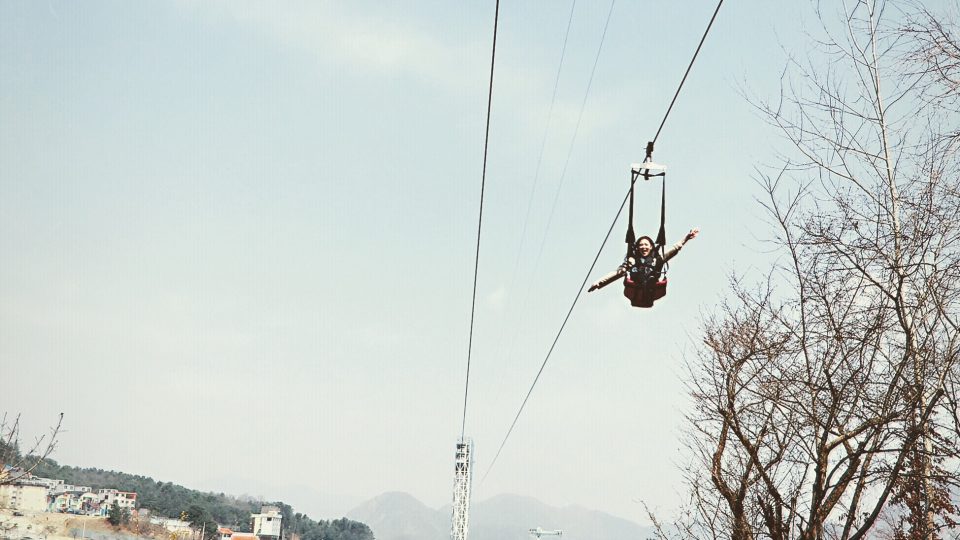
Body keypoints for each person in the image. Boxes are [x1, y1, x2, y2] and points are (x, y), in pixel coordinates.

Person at [588, 228, 699, 307]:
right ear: (637, 248)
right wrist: (599, 283)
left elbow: (674, 249)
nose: (643, 247)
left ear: (651, 247)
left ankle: (649, 282)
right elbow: (617, 273)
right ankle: (645, 283)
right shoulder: (632, 261)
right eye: (641, 245)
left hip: (651, 288)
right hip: (636, 287)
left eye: (646, 245)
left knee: (652, 276)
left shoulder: (657, 259)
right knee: (631, 270)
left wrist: (687, 238)